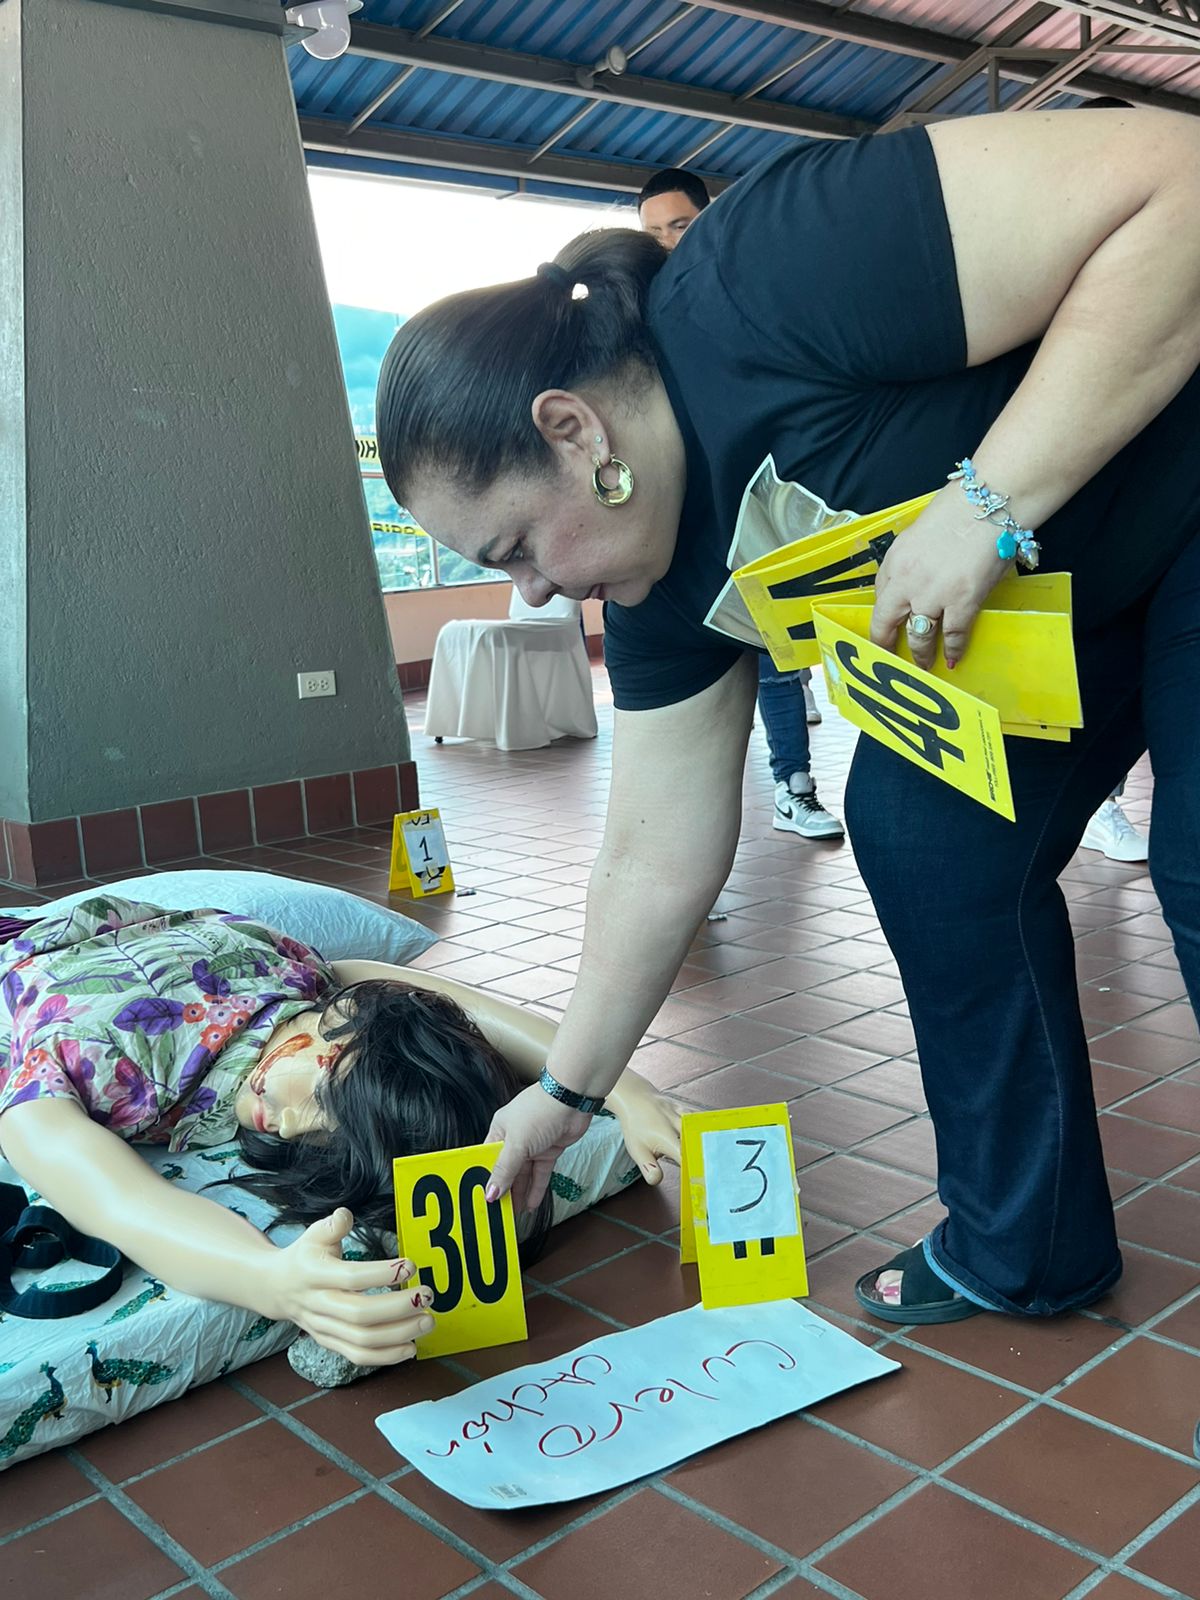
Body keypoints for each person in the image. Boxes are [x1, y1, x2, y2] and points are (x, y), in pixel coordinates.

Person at [376, 108, 1200, 1327]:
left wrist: (987, 505)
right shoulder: (659, 594)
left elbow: (1179, 185)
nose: (532, 591)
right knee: (926, 837)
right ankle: (1024, 1244)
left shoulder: (764, 278)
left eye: (516, 546)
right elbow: (653, 859)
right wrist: (566, 1092)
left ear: (573, 430)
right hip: (1067, 608)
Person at [0, 897, 680, 1364]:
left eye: (314, 1137)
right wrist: (267, 1279)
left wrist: (620, 1091)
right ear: (336, 1025)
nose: (285, 1123)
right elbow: (105, 1190)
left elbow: (433, 1007)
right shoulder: (110, 1063)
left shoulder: (321, 988)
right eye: (321, 1093)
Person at [637, 168, 843, 841]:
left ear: (707, 219)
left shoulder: (748, 293)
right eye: (653, 233)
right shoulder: (640, 317)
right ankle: (687, 836)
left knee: (778, 660)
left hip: (759, 511)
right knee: (703, 682)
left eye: (679, 226)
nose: (667, 243)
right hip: (685, 530)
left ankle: (795, 788)